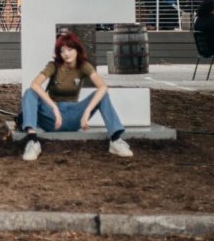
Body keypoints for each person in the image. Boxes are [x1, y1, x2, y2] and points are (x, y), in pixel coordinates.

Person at [18, 31, 133, 161]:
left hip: (74, 115)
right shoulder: (53, 66)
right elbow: (35, 84)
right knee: (30, 92)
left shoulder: (84, 66)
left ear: (77, 49)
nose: (66, 54)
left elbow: (103, 86)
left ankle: (115, 140)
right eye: (62, 51)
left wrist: (87, 111)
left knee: (102, 94)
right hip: (52, 118)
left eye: (69, 49)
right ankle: (33, 142)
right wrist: (54, 108)